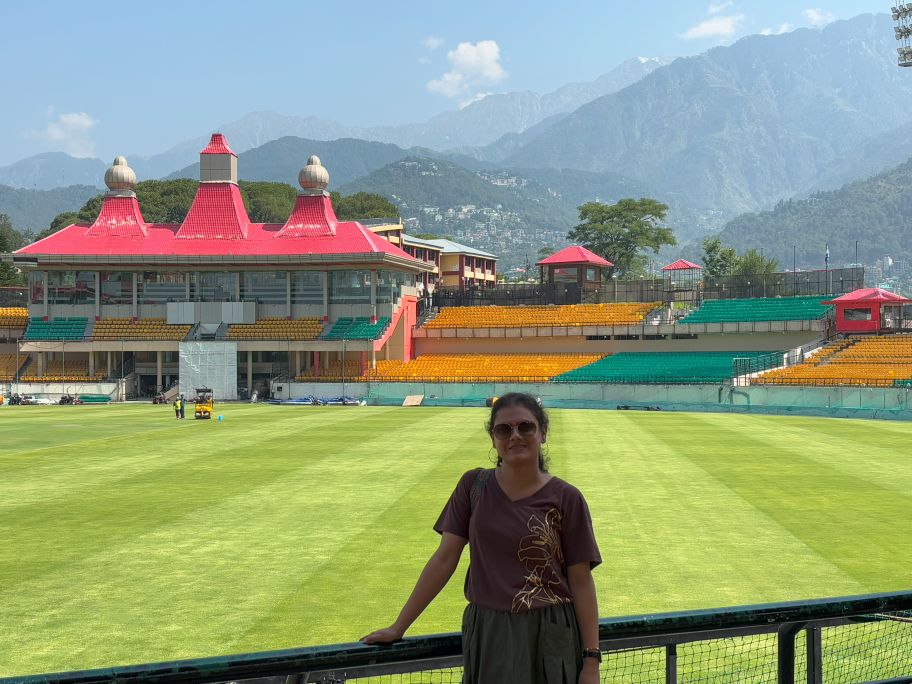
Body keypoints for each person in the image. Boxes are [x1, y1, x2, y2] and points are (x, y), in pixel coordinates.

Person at [362, 392, 602, 684]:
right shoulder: (473, 486)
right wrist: (399, 626)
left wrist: (591, 660)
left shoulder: (567, 498)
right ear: (493, 438)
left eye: (525, 427)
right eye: (504, 429)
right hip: (488, 629)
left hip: (549, 632)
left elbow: (581, 581)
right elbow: (444, 559)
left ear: (543, 433)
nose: (515, 436)